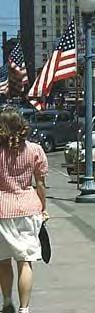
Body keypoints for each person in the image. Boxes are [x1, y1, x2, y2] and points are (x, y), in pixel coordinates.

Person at [0, 108, 48, 313]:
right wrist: (43, 208)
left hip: (2, 210)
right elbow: (40, 184)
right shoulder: (34, 150)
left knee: (3, 260)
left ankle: (7, 302)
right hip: (28, 208)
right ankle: (24, 309)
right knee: (25, 262)